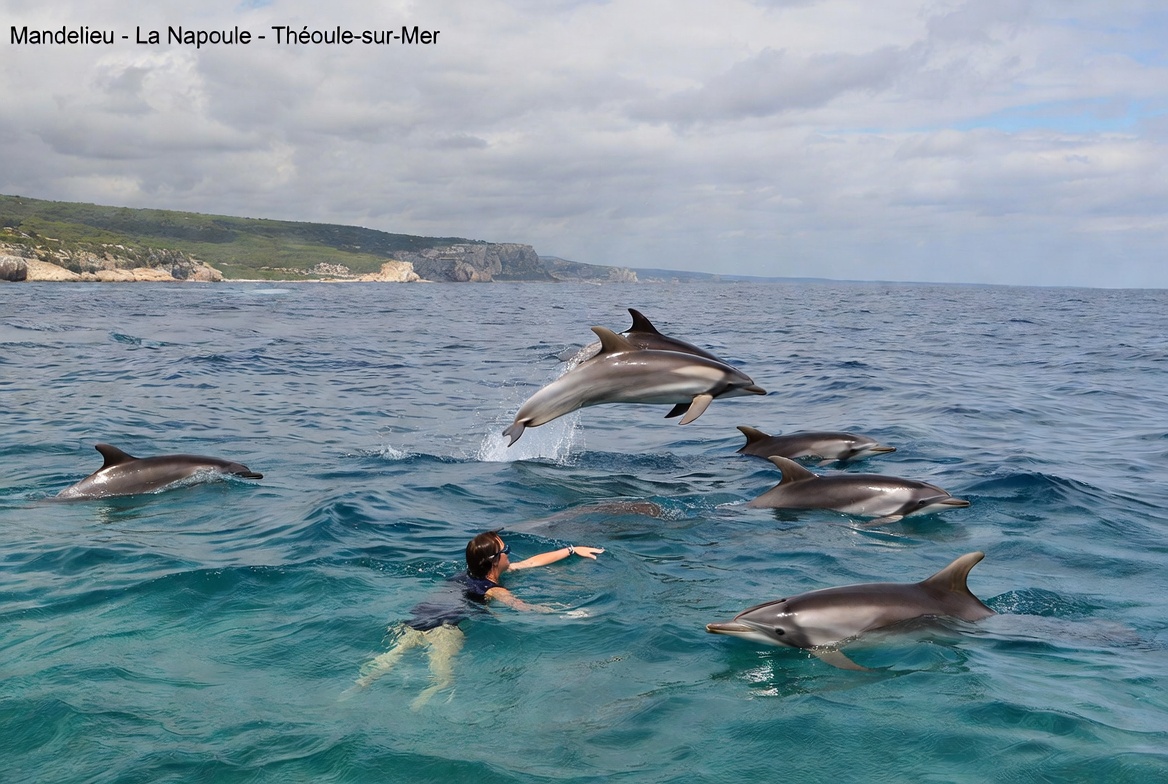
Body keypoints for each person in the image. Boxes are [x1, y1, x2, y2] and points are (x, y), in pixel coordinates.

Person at [346, 530, 604, 709]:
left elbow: (531, 563)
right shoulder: (494, 589)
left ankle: (352, 691)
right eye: (507, 550)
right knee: (442, 681)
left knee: (386, 661)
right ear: (495, 563)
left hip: (416, 620)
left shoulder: (465, 574)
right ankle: (416, 709)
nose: (510, 554)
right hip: (444, 630)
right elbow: (526, 608)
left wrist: (571, 550)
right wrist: (569, 613)